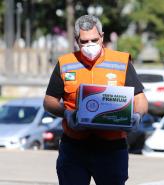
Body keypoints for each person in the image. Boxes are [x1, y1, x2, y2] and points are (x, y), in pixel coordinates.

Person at [43, 14, 148, 185]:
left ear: (102, 37)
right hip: (74, 147)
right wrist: (67, 114)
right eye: (84, 42)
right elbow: (49, 101)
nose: (89, 45)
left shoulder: (121, 61)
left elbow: (140, 98)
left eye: (94, 40)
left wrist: (137, 115)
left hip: (112, 148)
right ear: (76, 40)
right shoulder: (65, 63)